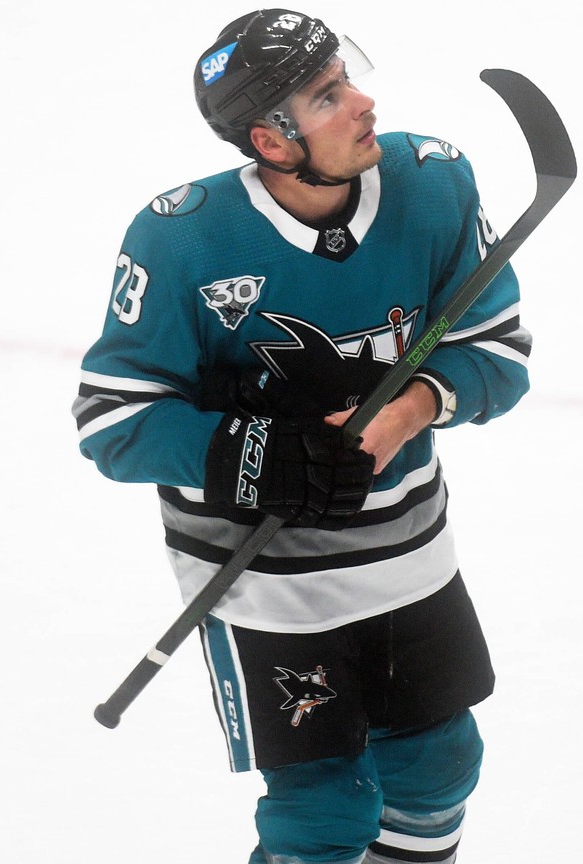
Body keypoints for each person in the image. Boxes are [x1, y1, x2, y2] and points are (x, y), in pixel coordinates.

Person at [73, 9, 532, 863]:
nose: (363, 102)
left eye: (347, 74)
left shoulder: (436, 184)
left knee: (438, 767)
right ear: (272, 141)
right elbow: (114, 422)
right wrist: (258, 459)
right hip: (264, 578)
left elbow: (495, 349)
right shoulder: (185, 239)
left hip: (405, 553)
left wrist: (407, 411)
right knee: (325, 813)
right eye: (328, 96)